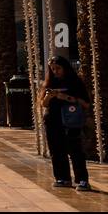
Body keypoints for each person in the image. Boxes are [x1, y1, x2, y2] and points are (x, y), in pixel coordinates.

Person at [39, 56, 92, 191]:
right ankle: (62, 178)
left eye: (58, 69)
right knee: (57, 151)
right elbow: (43, 104)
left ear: (65, 68)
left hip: (71, 121)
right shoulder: (50, 83)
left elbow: (85, 103)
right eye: (53, 69)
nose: (55, 72)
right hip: (52, 121)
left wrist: (66, 97)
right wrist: (49, 96)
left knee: (75, 150)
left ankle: (82, 180)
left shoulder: (75, 82)